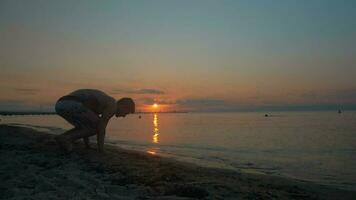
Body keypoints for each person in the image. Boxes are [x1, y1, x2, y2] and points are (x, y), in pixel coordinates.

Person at [55, 89, 135, 153]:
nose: (124, 116)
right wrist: (101, 150)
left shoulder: (105, 102)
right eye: (126, 113)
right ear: (124, 106)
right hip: (73, 104)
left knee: (85, 126)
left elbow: (87, 124)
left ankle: (62, 137)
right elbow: (101, 128)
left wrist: (87, 145)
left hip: (61, 104)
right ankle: (67, 139)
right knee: (98, 125)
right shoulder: (112, 105)